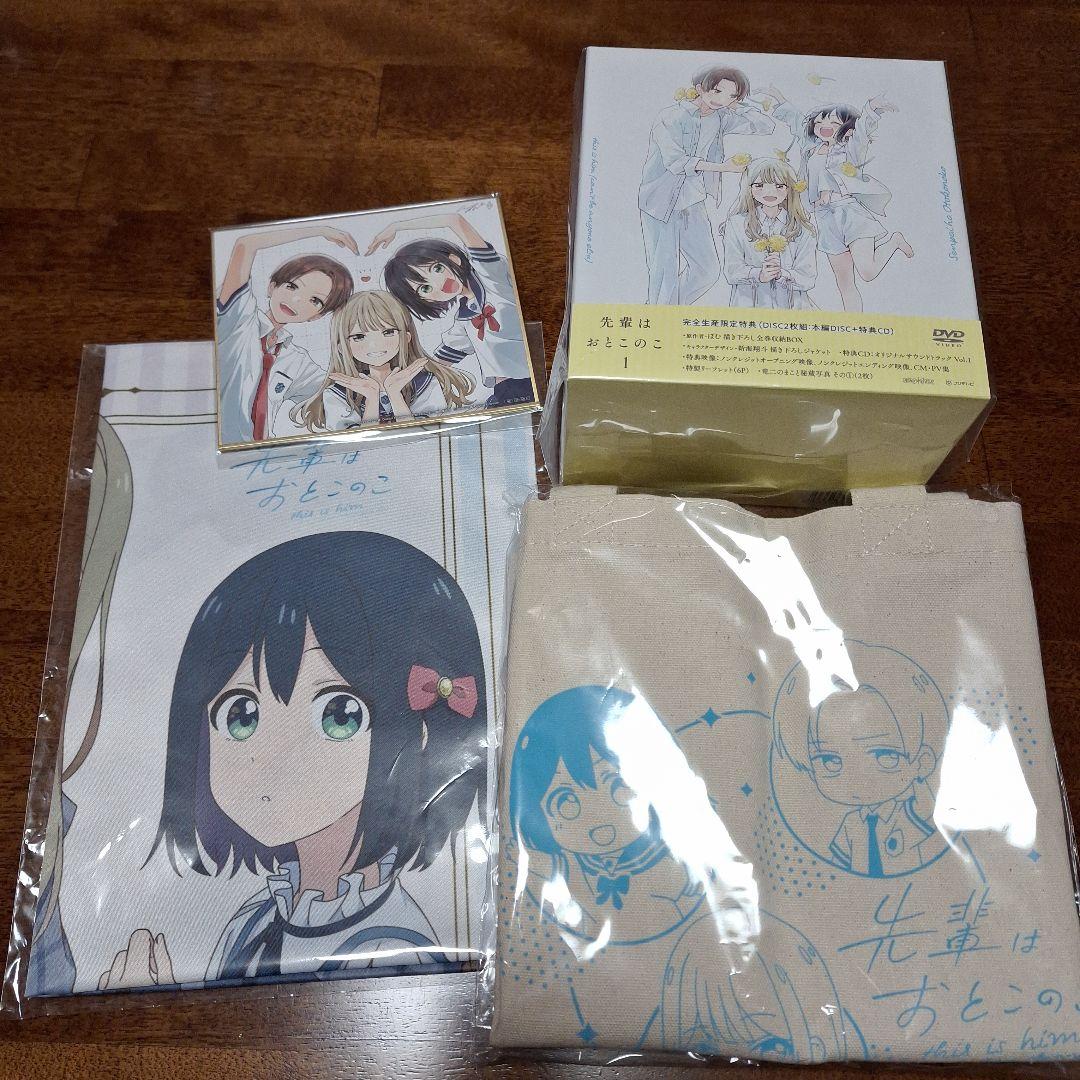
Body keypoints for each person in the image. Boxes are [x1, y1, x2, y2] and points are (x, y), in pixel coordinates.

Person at [97, 531, 486, 987]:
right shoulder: (255, 917)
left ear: (419, 733)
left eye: (338, 714)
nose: (270, 756)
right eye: (241, 715)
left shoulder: (389, 948)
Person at [771, 641, 945, 878]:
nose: (856, 779)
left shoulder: (912, 814)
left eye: (885, 757)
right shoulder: (851, 825)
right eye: (830, 761)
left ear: (921, 763)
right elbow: (839, 870)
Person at [762, 86, 913, 311]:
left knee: (867, 272)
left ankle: (894, 242)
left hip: (849, 213)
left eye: (834, 122)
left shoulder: (850, 150)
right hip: (824, 220)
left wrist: (872, 107)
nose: (825, 126)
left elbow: (862, 131)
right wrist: (778, 96)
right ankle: (854, 326)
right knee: (845, 284)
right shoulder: (811, 149)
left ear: (846, 127)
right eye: (820, 121)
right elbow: (796, 121)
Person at [638, 64, 774, 304]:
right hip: (660, 201)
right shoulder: (671, 117)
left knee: (707, 270)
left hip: (693, 200)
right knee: (664, 271)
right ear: (700, 88)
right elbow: (676, 162)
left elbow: (765, 126)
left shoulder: (721, 117)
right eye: (717, 91)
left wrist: (737, 105)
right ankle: (660, 316)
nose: (721, 100)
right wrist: (724, 168)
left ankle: (666, 310)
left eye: (731, 95)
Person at [373, 211, 535, 409]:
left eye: (437, 269)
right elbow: (441, 361)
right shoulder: (464, 319)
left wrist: (397, 226)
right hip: (506, 391)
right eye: (425, 288)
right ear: (423, 300)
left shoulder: (491, 277)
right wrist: (394, 384)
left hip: (533, 377)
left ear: (454, 259)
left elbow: (454, 220)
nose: (439, 284)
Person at [215, 226, 356, 444]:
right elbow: (245, 245)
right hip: (218, 443)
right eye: (292, 286)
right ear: (272, 287)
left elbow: (339, 386)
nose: (296, 300)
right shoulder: (238, 319)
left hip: (259, 451)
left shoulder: (296, 359)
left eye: (315, 300)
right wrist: (318, 229)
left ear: (317, 316)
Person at [289, 290, 475, 432]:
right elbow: (356, 447)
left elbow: (426, 435)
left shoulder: (425, 382)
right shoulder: (336, 394)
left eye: (388, 332)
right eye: (359, 336)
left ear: (406, 337)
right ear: (342, 346)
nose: (375, 345)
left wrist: (395, 394)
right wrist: (371, 398)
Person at [722, 157, 818, 309]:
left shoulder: (802, 228)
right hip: (749, 307)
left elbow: (808, 277)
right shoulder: (736, 224)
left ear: (789, 189)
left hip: (792, 309)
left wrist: (782, 274)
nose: (769, 192)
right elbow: (732, 271)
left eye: (779, 186)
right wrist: (759, 275)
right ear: (749, 188)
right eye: (759, 185)